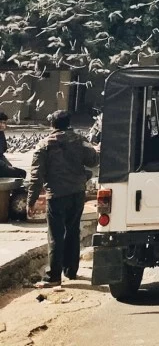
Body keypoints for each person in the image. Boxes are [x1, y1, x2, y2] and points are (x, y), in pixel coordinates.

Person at [27, 111, 100, 287]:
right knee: (73, 231)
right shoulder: (79, 140)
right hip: (77, 193)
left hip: (57, 195)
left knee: (55, 235)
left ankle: (54, 276)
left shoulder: (44, 145)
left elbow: (36, 176)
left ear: (52, 125)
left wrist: (31, 201)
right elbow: (93, 161)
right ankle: (71, 271)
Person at [0, 111, 27, 178]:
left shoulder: (1, 133)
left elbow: (3, 149)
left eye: (4, 123)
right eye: (0, 122)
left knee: (16, 172)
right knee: (20, 173)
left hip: (1, 158)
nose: (3, 125)